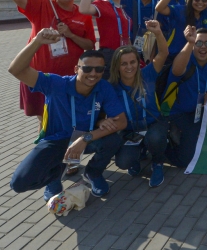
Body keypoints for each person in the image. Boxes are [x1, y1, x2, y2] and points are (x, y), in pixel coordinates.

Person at [8, 29, 127, 200]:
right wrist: (37, 41)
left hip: (85, 138)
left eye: (99, 69)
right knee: (19, 183)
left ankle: (93, 173)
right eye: (87, 68)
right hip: (56, 140)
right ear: (76, 69)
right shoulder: (56, 84)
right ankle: (55, 178)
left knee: (113, 140)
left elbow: (121, 122)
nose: (93, 73)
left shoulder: (104, 87)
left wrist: (86, 137)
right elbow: (16, 70)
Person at [2, 0, 95, 124]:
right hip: (40, 75)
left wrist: (70, 34)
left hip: (70, 78)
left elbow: (89, 45)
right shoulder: (42, 5)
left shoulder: (83, 14)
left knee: (69, 117)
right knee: (45, 120)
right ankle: (47, 150)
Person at [108, 20, 169, 188]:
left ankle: (157, 163)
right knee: (123, 162)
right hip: (130, 131)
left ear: (138, 62)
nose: (129, 67)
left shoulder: (147, 74)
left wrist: (158, 33)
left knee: (155, 138)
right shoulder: (112, 86)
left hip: (152, 123)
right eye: (124, 63)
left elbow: (163, 53)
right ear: (117, 66)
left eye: (132, 62)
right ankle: (138, 154)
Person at [166, 27, 207, 168]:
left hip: (199, 112)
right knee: (185, 161)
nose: (203, 47)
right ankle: (163, 144)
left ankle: (188, 139)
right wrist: (189, 42)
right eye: (198, 43)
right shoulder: (185, 58)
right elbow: (177, 71)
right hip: (179, 113)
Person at [79, 0, 132, 78]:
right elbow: (83, 9)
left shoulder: (121, 9)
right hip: (110, 54)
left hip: (124, 52)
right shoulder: (102, 4)